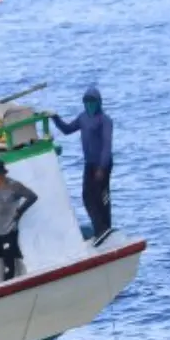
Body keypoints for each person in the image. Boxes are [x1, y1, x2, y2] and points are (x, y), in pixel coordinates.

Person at [51, 87, 115, 239]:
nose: (90, 105)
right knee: (87, 196)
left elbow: (107, 146)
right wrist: (55, 118)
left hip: (102, 164)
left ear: (99, 102)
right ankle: (99, 228)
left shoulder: (105, 121)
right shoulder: (83, 118)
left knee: (102, 196)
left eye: (93, 102)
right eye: (87, 102)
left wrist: (102, 167)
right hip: (89, 164)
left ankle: (106, 227)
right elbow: (67, 129)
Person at [0, 159, 39, 287]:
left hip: (8, 231)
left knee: (8, 263)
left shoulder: (14, 186)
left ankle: (8, 286)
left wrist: (19, 212)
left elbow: (32, 196)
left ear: (1, 174)